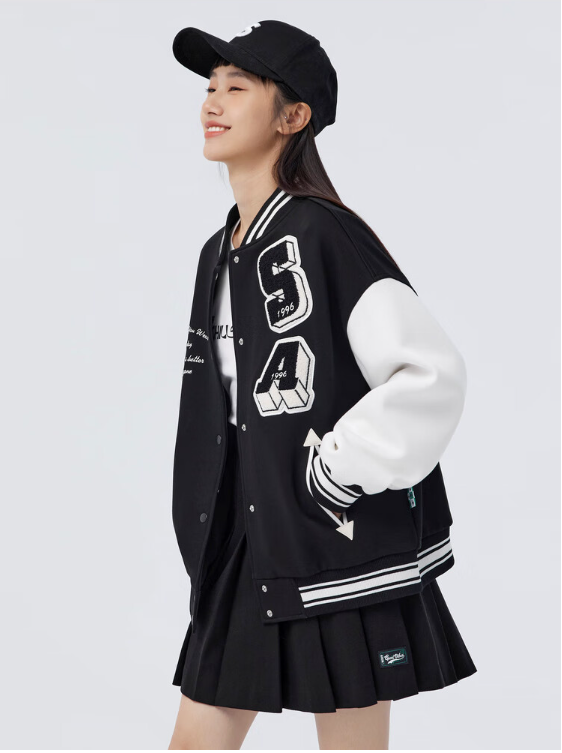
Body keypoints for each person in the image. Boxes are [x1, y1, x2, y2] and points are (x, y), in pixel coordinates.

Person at [167, 19, 477, 751]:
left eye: (237, 87)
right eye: (210, 86)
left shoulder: (326, 234)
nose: (212, 101)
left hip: (334, 546)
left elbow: (430, 372)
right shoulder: (220, 251)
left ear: (293, 116)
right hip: (246, 544)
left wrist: (336, 469)